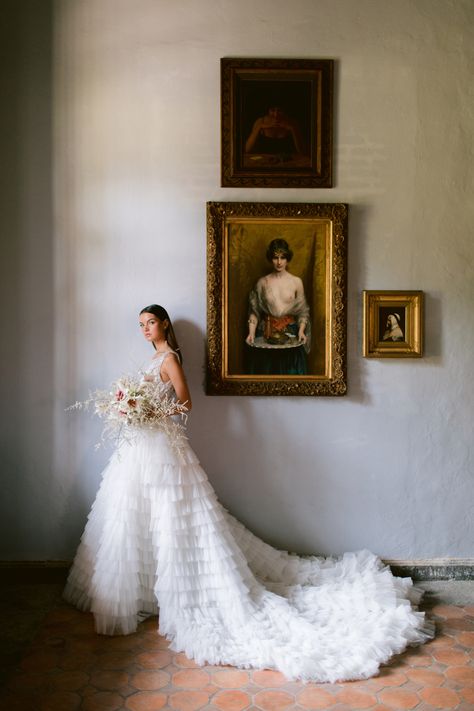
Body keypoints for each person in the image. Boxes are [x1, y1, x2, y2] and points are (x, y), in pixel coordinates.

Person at [64, 303, 432, 683]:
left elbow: (185, 403)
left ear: (164, 324)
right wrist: (130, 411)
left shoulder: (169, 358)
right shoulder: (149, 359)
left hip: (162, 449)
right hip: (140, 449)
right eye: (140, 323)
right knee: (133, 515)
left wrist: (149, 413)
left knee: (172, 518)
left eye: (151, 322)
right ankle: (144, 595)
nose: (145, 328)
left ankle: (180, 598)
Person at [245, 238, 310, 375]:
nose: (279, 262)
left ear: (288, 259)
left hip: (290, 333)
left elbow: (303, 311)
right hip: (266, 332)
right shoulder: (262, 282)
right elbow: (254, 311)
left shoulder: (296, 282)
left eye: (283, 257)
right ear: (271, 258)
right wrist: (251, 332)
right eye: (275, 258)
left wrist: (301, 331)